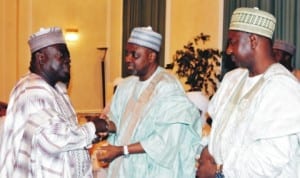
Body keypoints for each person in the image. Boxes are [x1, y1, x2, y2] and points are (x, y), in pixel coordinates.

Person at [0, 27, 116, 178]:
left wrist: (93, 135)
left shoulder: (55, 90)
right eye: (62, 56)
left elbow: (64, 133)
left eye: (69, 57)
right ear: (41, 58)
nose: (68, 60)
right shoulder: (32, 90)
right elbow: (54, 138)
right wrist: (94, 127)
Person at [202, 7, 300, 177]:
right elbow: (216, 129)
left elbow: (271, 159)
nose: (229, 50)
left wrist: (220, 171)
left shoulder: (283, 87)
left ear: (253, 41)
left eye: (232, 42)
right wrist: (205, 151)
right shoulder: (232, 79)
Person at [97, 26, 202, 178]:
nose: (128, 59)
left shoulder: (168, 88)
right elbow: (118, 124)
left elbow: (167, 140)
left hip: (154, 169)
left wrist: (121, 150)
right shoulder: (125, 86)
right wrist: (104, 126)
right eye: (127, 53)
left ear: (151, 56)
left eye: (135, 55)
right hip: (124, 168)